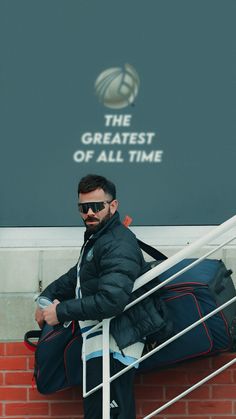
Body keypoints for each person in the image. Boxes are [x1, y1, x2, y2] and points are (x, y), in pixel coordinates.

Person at [35, 174, 150, 419]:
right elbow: (76, 276)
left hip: (115, 345)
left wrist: (61, 311)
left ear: (113, 205)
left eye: (97, 206)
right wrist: (45, 298)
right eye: (83, 207)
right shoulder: (99, 240)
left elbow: (112, 300)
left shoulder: (118, 242)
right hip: (101, 344)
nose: (89, 212)